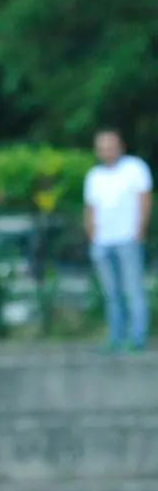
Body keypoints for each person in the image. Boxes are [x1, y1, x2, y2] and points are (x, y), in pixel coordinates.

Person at [84, 128, 153, 353]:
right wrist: (92, 235)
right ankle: (115, 338)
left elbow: (145, 199)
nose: (107, 151)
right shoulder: (94, 175)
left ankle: (137, 337)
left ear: (120, 146)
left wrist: (140, 229)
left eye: (110, 146)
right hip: (102, 242)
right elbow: (90, 208)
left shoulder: (135, 168)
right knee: (111, 293)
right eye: (102, 147)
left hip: (128, 239)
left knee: (133, 289)